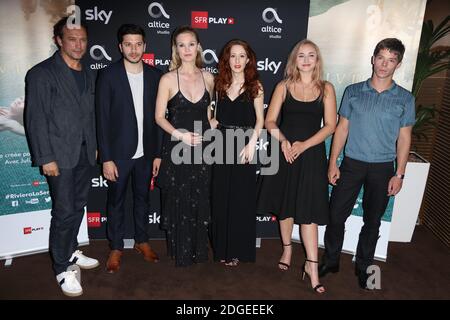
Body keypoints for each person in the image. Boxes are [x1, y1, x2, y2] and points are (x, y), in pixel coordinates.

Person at [319, 38, 415, 290]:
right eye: (381, 58)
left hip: (383, 168)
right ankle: (330, 260)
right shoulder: (353, 91)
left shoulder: (405, 98)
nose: (384, 64)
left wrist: (400, 174)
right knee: (335, 215)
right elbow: (341, 129)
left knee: (372, 221)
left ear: (398, 64)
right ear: (373, 59)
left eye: (391, 60)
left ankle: (363, 267)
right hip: (351, 164)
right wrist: (333, 163)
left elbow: (405, 138)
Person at [24, 17, 99, 297]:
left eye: (82, 39)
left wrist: (96, 146)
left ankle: (70, 251)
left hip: (84, 153)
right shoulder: (41, 73)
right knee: (65, 210)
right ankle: (61, 266)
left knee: (77, 206)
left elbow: (90, 115)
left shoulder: (90, 72)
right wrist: (46, 157)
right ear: (58, 40)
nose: (79, 45)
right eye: (72, 39)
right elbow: (36, 120)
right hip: (59, 155)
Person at [257, 39, 337, 293]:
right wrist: (284, 142)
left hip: (311, 157)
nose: (305, 60)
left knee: (309, 213)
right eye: (301, 55)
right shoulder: (283, 86)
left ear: (317, 60)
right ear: (294, 59)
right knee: (285, 207)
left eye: (311, 55)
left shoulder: (326, 88)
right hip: (285, 153)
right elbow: (270, 121)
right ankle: (288, 251)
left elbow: (330, 126)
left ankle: (312, 267)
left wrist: (304, 145)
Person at [96, 24, 163, 273]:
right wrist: (106, 158)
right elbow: (101, 119)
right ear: (120, 47)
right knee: (115, 202)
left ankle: (142, 241)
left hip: (146, 154)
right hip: (118, 155)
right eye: (128, 44)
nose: (133, 49)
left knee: (143, 200)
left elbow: (159, 119)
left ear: (145, 46)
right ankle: (115, 246)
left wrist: (158, 153)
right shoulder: (108, 75)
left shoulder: (157, 76)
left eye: (138, 44)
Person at [155, 26, 214, 267]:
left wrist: (213, 125)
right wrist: (179, 134)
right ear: (175, 49)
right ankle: (181, 251)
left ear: (198, 46)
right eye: (182, 45)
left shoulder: (209, 77)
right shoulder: (168, 79)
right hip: (177, 148)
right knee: (179, 198)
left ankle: (199, 251)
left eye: (191, 44)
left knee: (200, 197)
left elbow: (209, 114)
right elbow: (159, 117)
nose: (187, 49)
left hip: (203, 148)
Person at [209, 39, 264, 266]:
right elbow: (209, 110)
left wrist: (252, 144)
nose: (237, 61)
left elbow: (260, 120)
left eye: (242, 56)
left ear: (249, 59)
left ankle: (237, 251)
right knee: (220, 198)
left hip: (244, 145)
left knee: (241, 200)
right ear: (226, 59)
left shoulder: (255, 86)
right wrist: (211, 121)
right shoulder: (218, 84)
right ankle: (221, 249)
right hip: (221, 143)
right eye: (233, 56)